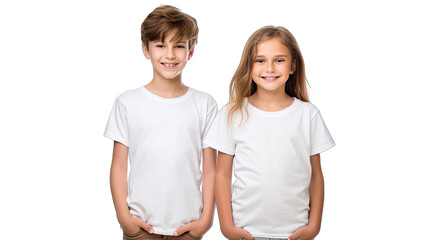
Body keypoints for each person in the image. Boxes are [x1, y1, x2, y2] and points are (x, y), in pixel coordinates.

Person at [204, 26, 335, 240]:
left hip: (295, 232)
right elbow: (222, 175)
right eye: (260, 60)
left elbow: (316, 176)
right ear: (249, 65)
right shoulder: (232, 113)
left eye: (279, 60)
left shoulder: (307, 115)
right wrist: (227, 226)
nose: (270, 68)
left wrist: (314, 227)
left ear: (293, 66)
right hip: (246, 232)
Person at [104, 5, 217, 240]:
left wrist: (205, 221)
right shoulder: (127, 103)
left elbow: (210, 169)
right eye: (160, 45)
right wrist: (125, 220)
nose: (170, 54)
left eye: (178, 46)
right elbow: (119, 167)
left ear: (191, 51)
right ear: (146, 50)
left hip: (188, 228)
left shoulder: (204, 104)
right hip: (141, 228)